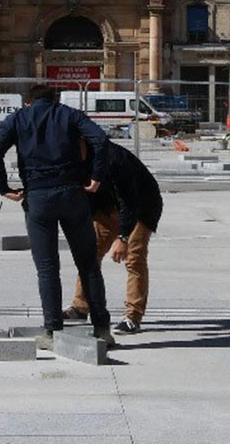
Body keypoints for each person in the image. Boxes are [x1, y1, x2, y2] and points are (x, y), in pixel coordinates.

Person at [0, 84, 115, 346]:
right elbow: (100, 140)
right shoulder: (69, 114)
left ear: (28, 102)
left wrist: (3, 187)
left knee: (47, 269)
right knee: (88, 264)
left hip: (38, 196)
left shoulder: (18, 118)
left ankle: (52, 330)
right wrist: (96, 177)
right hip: (72, 194)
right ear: (53, 100)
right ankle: (101, 327)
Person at [65, 139, 164, 335]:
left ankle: (133, 317)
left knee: (134, 259)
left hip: (141, 206)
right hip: (108, 206)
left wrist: (123, 237)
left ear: (83, 142)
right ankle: (80, 306)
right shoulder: (77, 159)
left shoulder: (114, 159)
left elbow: (130, 201)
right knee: (88, 253)